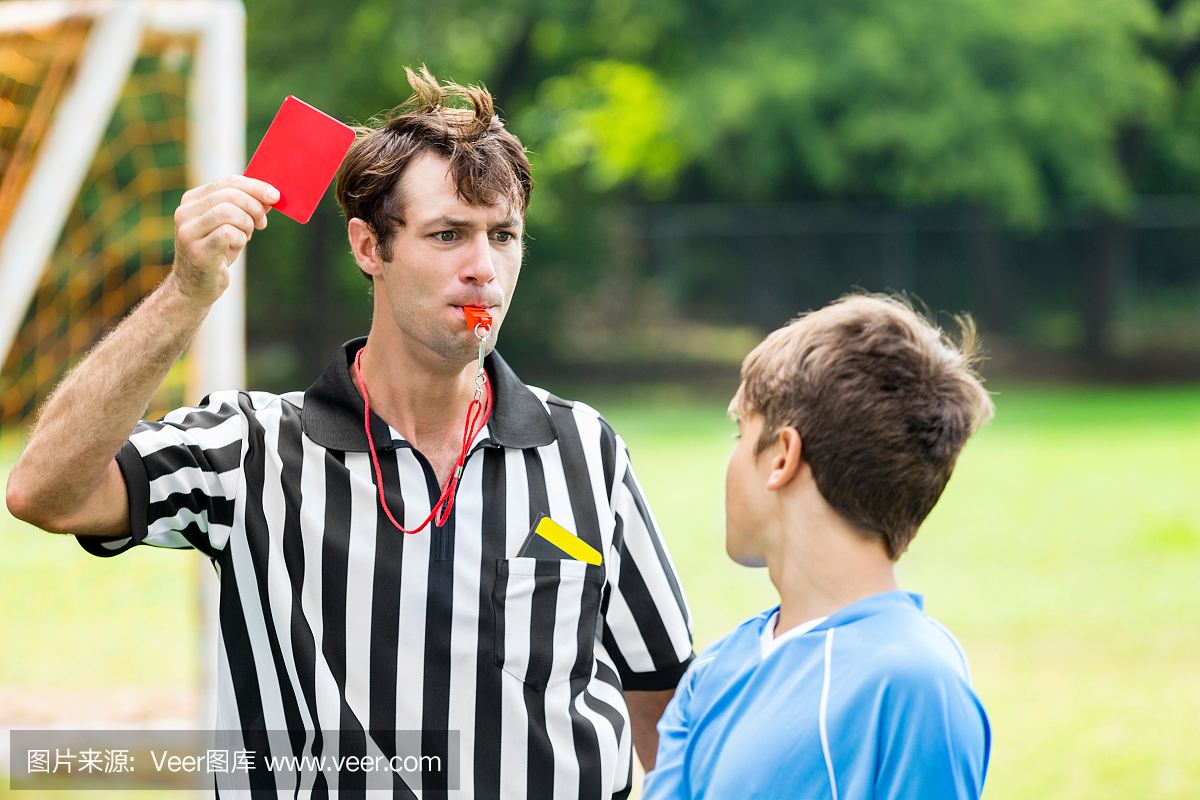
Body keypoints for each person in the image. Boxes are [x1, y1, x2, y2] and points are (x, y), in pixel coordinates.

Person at [5, 67, 693, 798]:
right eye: (448, 234)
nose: (483, 268)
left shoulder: (584, 447)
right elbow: (44, 492)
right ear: (369, 248)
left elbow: (665, 703)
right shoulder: (252, 449)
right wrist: (185, 294)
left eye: (503, 235)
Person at [642, 295, 994, 800]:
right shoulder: (714, 674)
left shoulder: (914, 682)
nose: (730, 460)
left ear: (783, 456)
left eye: (740, 432)